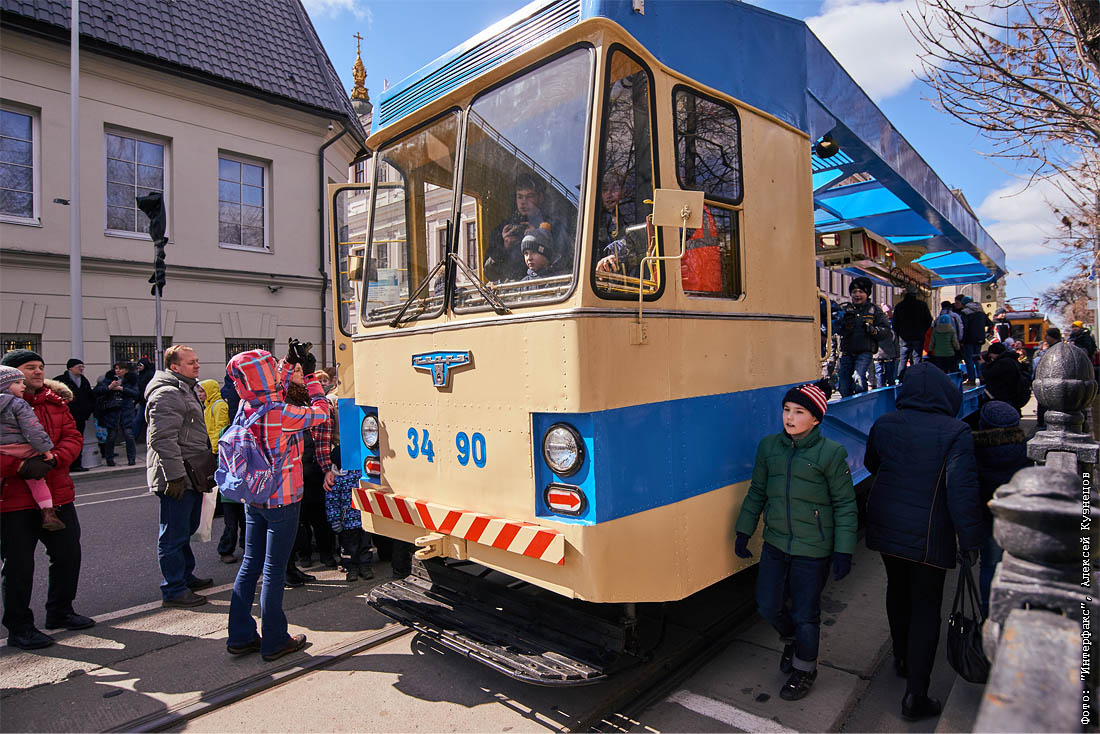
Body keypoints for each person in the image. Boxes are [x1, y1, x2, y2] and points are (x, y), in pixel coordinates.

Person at [864, 363, 986, 721]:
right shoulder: (956, 431)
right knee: (926, 607)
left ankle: (902, 657)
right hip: (931, 532)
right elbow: (962, 491)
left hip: (887, 524)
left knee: (897, 590)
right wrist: (970, 540)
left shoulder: (885, 423)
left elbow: (872, 463)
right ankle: (915, 696)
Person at [734, 380, 857, 701]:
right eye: (786, 410)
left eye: (799, 412)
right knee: (767, 606)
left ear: (815, 419)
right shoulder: (769, 447)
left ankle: (805, 669)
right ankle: (792, 641)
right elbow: (758, 492)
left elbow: (845, 505)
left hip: (813, 550)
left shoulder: (831, 454)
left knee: (805, 614)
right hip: (776, 544)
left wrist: (843, 551)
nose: (789, 417)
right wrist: (744, 530)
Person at [226, 343, 329, 662]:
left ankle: (240, 636)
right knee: (273, 570)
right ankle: (274, 640)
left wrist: (287, 364)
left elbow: (271, 390)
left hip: (254, 496)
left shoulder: (246, 405)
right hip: (283, 501)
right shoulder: (280, 413)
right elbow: (321, 411)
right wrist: (310, 377)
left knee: (250, 564)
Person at [0, 349, 93, 649]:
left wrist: (54, 459)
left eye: (40, 366)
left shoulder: (55, 401)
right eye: (30, 367)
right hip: (14, 500)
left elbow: (73, 437)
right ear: (12, 375)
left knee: (68, 555)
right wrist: (20, 467)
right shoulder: (3, 405)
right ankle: (19, 627)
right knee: (18, 566)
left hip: (57, 494)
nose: (39, 372)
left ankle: (60, 611)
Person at [146, 345, 214, 607]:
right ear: (174, 367)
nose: (197, 365)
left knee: (185, 529)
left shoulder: (185, 388)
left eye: (197, 361)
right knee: (173, 535)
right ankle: (174, 589)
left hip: (190, 471)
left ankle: (185, 576)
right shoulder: (168, 393)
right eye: (190, 362)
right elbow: (163, 439)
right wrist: (174, 477)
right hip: (177, 475)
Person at [972, 400, 1031, 617]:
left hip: (990, 519)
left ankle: (990, 615)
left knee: (989, 566)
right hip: (1018, 519)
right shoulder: (1024, 450)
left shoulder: (976, 451)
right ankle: (1016, 612)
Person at [284, 366, 334, 585]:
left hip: (313, 465)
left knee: (319, 515)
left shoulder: (310, 397)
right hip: (294, 468)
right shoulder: (285, 400)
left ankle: (325, 554)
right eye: (296, 370)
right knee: (296, 520)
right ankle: (296, 561)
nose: (301, 374)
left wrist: (326, 466)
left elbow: (323, 430)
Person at [0, 366, 65, 531]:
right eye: (17, 382)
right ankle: (48, 513)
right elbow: (33, 429)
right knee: (37, 481)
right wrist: (45, 450)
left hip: (2, 450)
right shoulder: (18, 403)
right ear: (5, 386)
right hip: (23, 449)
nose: (23, 386)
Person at [484, 173, 554, 282]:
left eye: (529, 196)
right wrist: (505, 247)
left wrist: (539, 239)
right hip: (513, 289)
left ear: (540, 198)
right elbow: (490, 274)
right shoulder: (504, 230)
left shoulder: (552, 226)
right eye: (520, 196)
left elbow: (564, 263)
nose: (523, 202)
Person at [837, 277, 890, 397]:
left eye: (861, 291)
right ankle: (848, 405)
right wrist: (843, 325)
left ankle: (861, 404)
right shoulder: (846, 310)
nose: (857, 295)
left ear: (867, 294)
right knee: (844, 385)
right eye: (854, 292)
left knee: (858, 378)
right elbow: (836, 328)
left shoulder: (874, 310)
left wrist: (874, 330)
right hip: (847, 352)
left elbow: (886, 330)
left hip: (864, 352)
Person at [93, 362, 139, 466]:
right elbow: (97, 391)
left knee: (129, 435)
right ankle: (109, 459)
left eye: (120, 369)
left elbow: (136, 393)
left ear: (126, 370)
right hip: (112, 411)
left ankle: (131, 459)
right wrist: (109, 387)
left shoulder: (132, 380)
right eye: (116, 368)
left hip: (126, 411)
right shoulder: (108, 378)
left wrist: (122, 389)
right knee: (111, 436)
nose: (118, 371)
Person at [54, 359, 93, 472]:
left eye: (82, 367)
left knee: (78, 440)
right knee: (65, 440)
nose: (81, 369)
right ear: (70, 368)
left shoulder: (83, 381)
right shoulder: (60, 380)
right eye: (79, 366)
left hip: (81, 416)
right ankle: (65, 463)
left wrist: (88, 410)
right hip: (66, 416)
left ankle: (76, 464)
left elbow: (90, 397)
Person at [892, 286, 932, 377]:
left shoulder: (899, 306)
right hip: (918, 336)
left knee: (903, 359)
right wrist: (922, 330)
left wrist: (898, 334)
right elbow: (929, 320)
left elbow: (895, 324)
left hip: (904, 337)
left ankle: (901, 378)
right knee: (917, 358)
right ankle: (917, 377)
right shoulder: (922, 305)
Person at [954, 295, 992, 385]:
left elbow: (964, 327)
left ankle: (971, 379)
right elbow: (989, 323)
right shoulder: (980, 311)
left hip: (969, 339)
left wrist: (962, 340)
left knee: (969, 359)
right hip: (980, 338)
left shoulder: (965, 312)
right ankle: (980, 375)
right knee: (977, 357)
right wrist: (985, 333)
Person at [982, 342, 1028, 412]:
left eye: (991, 354)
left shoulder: (1003, 363)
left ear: (995, 353)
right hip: (1013, 394)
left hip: (1005, 396)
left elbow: (988, 374)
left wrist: (983, 364)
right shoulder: (1011, 360)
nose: (990, 356)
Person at [1032, 328, 1061, 430]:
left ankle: (1044, 423)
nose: (1045, 338)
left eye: (1047, 335)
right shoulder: (1055, 348)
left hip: (1050, 379)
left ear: (1052, 337)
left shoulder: (1056, 349)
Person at [873, 305, 900, 388]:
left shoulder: (874, 330)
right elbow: (895, 342)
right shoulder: (890, 331)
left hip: (877, 355)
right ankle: (891, 391)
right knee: (890, 375)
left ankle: (880, 390)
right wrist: (897, 354)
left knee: (879, 374)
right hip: (889, 355)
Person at [134, 357, 155, 443]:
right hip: (142, 401)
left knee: (146, 420)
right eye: (138, 365)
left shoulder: (149, 375)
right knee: (139, 420)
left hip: (148, 401)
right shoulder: (140, 375)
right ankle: (133, 438)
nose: (138, 367)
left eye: (140, 365)